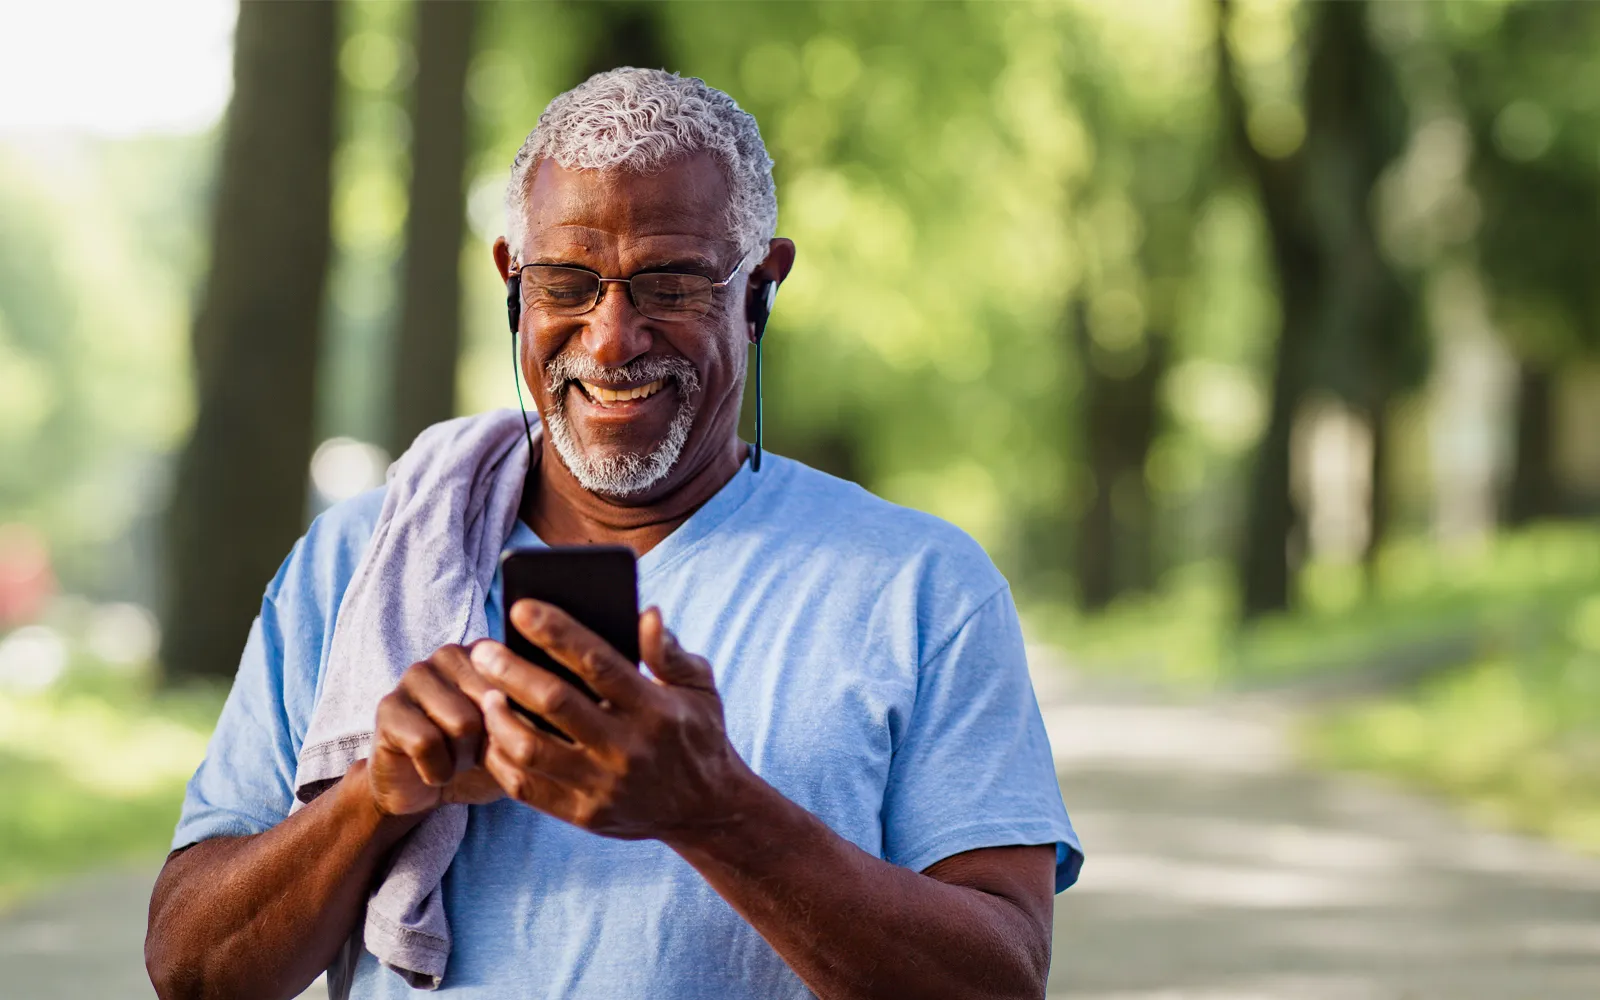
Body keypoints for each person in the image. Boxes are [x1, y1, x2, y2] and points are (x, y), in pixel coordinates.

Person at [145, 67, 1080, 1000]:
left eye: (669, 283)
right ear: (514, 278)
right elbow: (192, 970)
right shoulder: (362, 563)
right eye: (569, 282)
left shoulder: (919, 586)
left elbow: (999, 981)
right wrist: (375, 796)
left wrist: (718, 813)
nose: (610, 338)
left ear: (761, 284)